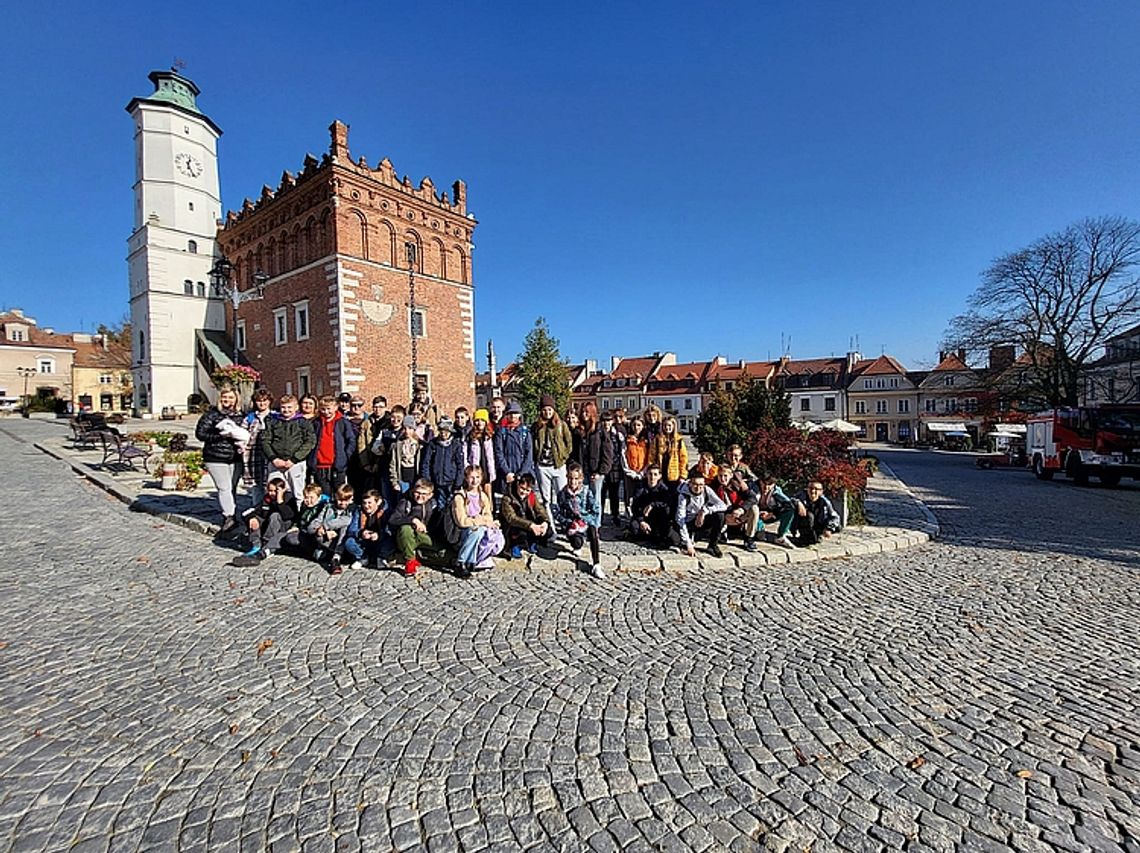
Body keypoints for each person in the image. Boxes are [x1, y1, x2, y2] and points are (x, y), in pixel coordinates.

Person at [195, 383, 249, 536]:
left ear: (236, 399)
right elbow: (200, 434)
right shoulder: (211, 415)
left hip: (236, 457)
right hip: (215, 457)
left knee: (231, 488)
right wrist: (220, 436)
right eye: (224, 397)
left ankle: (230, 513)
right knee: (224, 487)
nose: (227, 400)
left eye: (230, 397)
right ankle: (229, 517)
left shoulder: (241, 415)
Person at [233, 471, 297, 566]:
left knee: (275, 515)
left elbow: (288, 516)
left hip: (283, 527)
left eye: (274, 491)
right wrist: (251, 518)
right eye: (270, 491)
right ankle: (256, 544)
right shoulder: (267, 499)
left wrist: (280, 500)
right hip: (269, 526)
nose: (271, 493)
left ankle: (267, 544)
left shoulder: (289, 498)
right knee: (255, 519)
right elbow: (253, 510)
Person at [451, 466, 504, 578]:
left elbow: (488, 516)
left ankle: (475, 560)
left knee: (491, 533)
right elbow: (462, 521)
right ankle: (461, 562)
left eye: (477, 477)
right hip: (464, 531)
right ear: (466, 478)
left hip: (480, 527)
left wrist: (484, 521)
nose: (474, 481)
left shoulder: (483, 496)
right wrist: (479, 521)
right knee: (477, 532)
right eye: (471, 477)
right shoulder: (460, 497)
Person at [262, 394, 317, 499]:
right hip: (276, 462)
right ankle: (274, 513)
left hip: (295, 463)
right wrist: (273, 458)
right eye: (283, 407)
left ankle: (297, 513)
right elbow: (265, 440)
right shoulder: (273, 421)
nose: (286, 410)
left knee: (297, 492)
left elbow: (309, 442)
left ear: (296, 408)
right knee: (273, 492)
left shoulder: (303, 422)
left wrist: (294, 459)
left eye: (289, 407)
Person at [389, 478, 447, 577]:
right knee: (405, 529)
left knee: (446, 554)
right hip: (407, 537)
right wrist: (413, 520)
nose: (420, 496)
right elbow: (393, 520)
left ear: (430, 495)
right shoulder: (405, 502)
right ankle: (410, 561)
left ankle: (418, 555)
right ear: (413, 491)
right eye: (417, 493)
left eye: (424, 494)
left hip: (424, 536)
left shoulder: (433, 505)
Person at [555, 462, 605, 579]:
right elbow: (558, 514)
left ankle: (596, 564)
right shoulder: (562, 494)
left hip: (586, 521)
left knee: (593, 533)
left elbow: (595, 509)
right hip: (572, 525)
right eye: (571, 478)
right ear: (567, 478)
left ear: (581, 479)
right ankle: (577, 544)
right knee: (577, 542)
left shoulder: (587, 491)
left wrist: (587, 521)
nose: (573, 482)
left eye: (576, 479)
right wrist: (569, 523)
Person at [676, 468, 728, 558]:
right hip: (689, 522)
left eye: (701, 485)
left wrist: (704, 511)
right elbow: (680, 520)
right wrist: (689, 545)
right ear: (689, 484)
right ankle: (688, 540)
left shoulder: (706, 490)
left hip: (701, 520)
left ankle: (712, 545)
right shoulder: (683, 496)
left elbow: (722, 505)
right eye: (695, 484)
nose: (698, 487)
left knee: (720, 516)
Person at [532, 394, 572, 510]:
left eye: (549, 409)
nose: (547, 412)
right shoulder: (536, 426)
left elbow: (569, 443)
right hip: (542, 466)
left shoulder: (561, 425)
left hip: (558, 465)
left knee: (562, 495)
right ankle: (549, 520)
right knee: (546, 498)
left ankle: (563, 520)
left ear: (553, 410)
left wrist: (563, 456)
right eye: (544, 410)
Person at [500, 472, 554, 557]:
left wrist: (545, 522)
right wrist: (531, 525)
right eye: (522, 488)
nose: (524, 492)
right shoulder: (507, 498)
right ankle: (515, 545)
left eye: (527, 490)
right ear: (518, 484)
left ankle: (532, 542)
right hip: (513, 526)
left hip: (527, 522)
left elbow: (540, 510)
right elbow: (511, 518)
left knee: (548, 531)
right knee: (519, 532)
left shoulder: (532, 496)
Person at [309, 395, 355, 496]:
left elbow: (351, 440)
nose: (326, 412)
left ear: (335, 407)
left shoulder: (343, 422)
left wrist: (345, 456)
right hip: (320, 465)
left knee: (340, 493)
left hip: (337, 464)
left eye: (329, 409)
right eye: (323, 409)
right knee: (324, 494)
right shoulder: (316, 423)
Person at [711, 465, 760, 551]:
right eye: (720, 476)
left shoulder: (738, 485)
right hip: (723, 516)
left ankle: (749, 539)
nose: (722, 479)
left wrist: (742, 509)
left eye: (725, 476)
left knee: (754, 509)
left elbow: (752, 498)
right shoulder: (713, 486)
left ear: (730, 476)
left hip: (738, 514)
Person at [421, 416, 465, 508]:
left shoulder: (456, 444)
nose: (443, 433)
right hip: (436, 482)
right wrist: (428, 480)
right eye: (441, 430)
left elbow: (460, 465)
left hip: (451, 483)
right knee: (439, 506)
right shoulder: (433, 444)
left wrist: (458, 483)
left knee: (451, 506)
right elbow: (426, 463)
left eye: (446, 430)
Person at [493, 400, 534, 497]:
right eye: (510, 413)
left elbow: (529, 454)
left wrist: (521, 473)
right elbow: (499, 453)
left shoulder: (525, 432)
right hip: (506, 474)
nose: (513, 416)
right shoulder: (501, 432)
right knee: (507, 500)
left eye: (515, 413)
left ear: (519, 415)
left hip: (523, 473)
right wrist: (507, 472)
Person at [578, 402, 613, 520]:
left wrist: (601, 471)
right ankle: (583, 523)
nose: (584, 414)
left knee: (595, 498)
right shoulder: (580, 429)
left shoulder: (599, 429)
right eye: (582, 412)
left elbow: (607, 451)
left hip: (596, 471)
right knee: (582, 498)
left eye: (586, 412)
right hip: (582, 470)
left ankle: (595, 525)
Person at [341, 488, 391, 569]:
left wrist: (379, 535)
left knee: (391, 541)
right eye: (364, 503)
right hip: (364, 542)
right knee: (349, 542)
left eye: (369, 503)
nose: (366, 506)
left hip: (380, 540)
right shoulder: (359, 511)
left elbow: (389, 530)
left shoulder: (385, 511)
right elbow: (351, 529)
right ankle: (363, 558)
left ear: (377, 502)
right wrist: (361, 533)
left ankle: (381, 557)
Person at [242, 387, 275, 508]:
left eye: (265, 400)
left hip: (270, 455)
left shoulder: (275, 416)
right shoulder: (250, 418)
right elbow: (242, 435)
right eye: (259, 400)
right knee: (256, 485)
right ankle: (257, 509)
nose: (262, 403)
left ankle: (271, 509)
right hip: (253, 455)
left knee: (271, 483)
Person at [282, 483, 330, 563]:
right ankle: (311, 551)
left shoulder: (323, 506)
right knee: (291, 537)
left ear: (318, 497)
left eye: (311, 497)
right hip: (305, 530)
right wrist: (296, 526)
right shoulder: (304, 505)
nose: (308, 500)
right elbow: (300, 518)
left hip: (316, 531)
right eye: (306, 497)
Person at [628, 464, 673, 546]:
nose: (652, 477)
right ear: (646, 475)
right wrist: (641, 521)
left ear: (659, 476)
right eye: (650, 474)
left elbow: (667, 502)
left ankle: (654, 534)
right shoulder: (640, 487)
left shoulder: (664, 489)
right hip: (643, 517)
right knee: (634, 528)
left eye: (655, 474)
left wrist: (652, 505)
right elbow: (634, 506)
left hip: (657, 517)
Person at [321, 483, 358, 574]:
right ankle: (330, 553)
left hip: (344, 538)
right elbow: (319, 519)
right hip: (329, 536)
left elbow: (347, 520)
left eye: (346, 500)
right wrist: (325, 530)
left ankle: (336, 558)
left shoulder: (353, 509)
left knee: (344, 527)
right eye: (340, 500)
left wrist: (326, 526)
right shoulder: (329, 506)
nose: (342, 503)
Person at [791, 481, 842, 546]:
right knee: (809, 516)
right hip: (803, 522)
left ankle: (817, 536)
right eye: (811, 488)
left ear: (821, 492)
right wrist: (798, 503)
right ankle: (805, 537)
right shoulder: (801, 496)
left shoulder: (825, 502)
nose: (813, 491)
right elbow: (790, 500)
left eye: (816, 489)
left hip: (818, 523)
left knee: (838, 527)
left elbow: (835, 517)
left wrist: (829, 528)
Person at [757, 472, 798, 549]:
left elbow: (788, 503)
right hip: (755, 515)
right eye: (764, 483)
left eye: (769, 485)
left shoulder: (776, 491)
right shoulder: (754, 488)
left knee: (790, 510)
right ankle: (758, 530)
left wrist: (772, 513)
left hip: (771, 513)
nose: (766, 487)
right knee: (760, 536)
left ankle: (781, 535)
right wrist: (758, 512)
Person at [464, 408, 496, 501]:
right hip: (475, 470)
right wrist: (467, 468)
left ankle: (489, 513)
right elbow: (465, 453)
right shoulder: (470, 436)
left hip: (487, 470)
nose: (479, 423)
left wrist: (492, 472)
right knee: (476, 495)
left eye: (482, 420)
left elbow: (491, 456)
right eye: (477, 420)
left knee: (488, 496)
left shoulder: (489, 436)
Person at [600, 410, 626, 526]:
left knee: (614, 494)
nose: (607, 423)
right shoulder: (598, 434)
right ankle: (599, 516)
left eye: (609, 421)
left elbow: (620, 451)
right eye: (604, 421)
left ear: (612, 421)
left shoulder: (617, 434)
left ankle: (615, 515)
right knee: (601, 494)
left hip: (614, 468)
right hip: (601, 468)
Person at [649, 414, 688, 490]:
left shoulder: (678, 441)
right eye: (665, 425)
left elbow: (683, 459)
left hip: (674, 476)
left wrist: (683, 476)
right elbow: (651, 457)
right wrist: (653, 473)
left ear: (673, 426)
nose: (667, 428)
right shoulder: (657, 440)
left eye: (669, 425)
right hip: (660, 474)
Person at [388, 414, 423, 499]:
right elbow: (393, 464)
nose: (407, 431)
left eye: (410, 428)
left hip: (414, 476)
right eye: (405, 428)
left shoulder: (420, 446)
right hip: (402, 476)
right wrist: (394, 482)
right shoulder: (397, 445)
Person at [622, 415, 650, 517]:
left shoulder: (646, 441)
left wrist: (643, 471)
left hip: (643, 473)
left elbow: (649, 457)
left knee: (641, 495)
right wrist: (629, 471)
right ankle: (629, 517)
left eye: (639, 425)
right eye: (634, 425)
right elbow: (623, 456)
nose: (636, 427)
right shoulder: (627, 440)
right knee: (629, 496)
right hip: (630, 473)